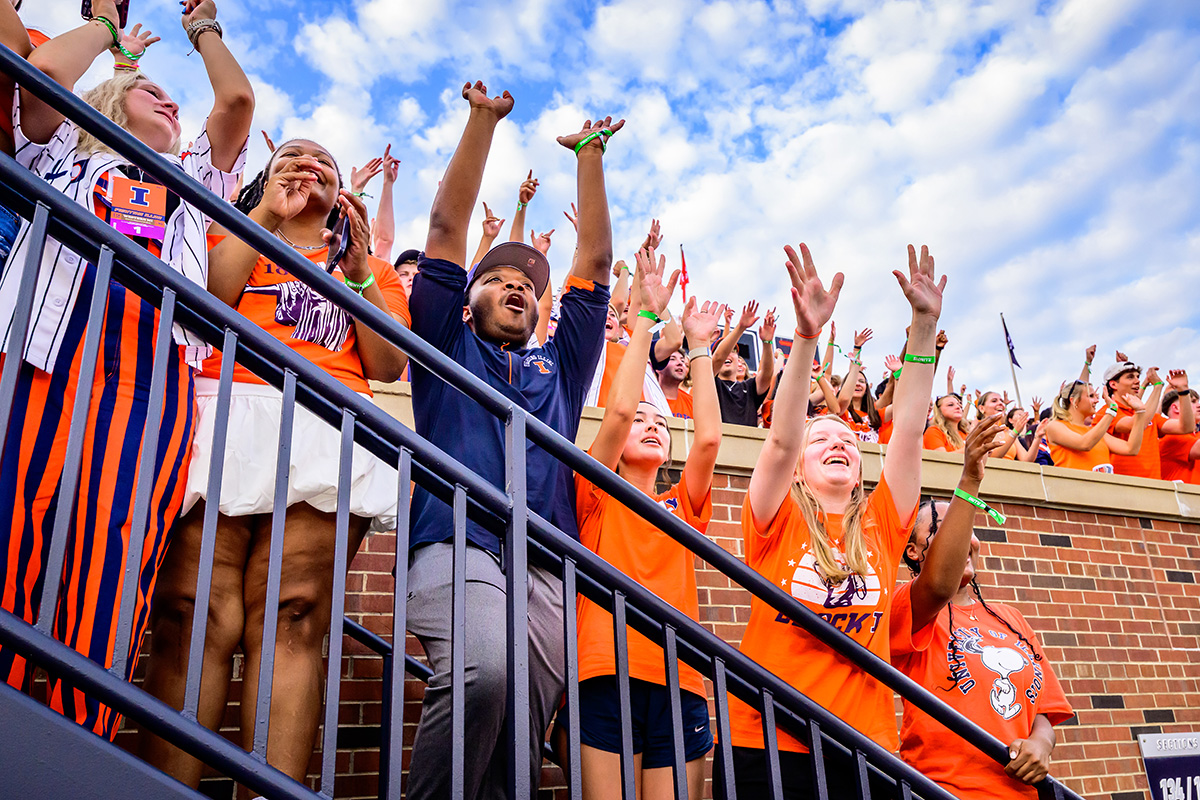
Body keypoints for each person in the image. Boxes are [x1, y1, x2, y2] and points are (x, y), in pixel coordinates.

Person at [0, 0, 252, 739]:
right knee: (13, 529)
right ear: (109, 102)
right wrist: (108, 24)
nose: (170, 101)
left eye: (173, 99)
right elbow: (43, 71)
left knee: (113, 560)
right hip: (50, 356)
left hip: (152, 383)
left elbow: (235, 101)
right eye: (150, 92)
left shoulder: (190, 180)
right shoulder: (63, 153)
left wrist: (202, 25)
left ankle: (77, 743)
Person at [139, 136, 409, 786]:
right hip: (224, 408)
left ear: (344, 194)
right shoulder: (224, 227)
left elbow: (388, 360)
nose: (311, 162)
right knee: (192, 608)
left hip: (324, 423)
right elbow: (210, 296)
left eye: (326, 162)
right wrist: (263, 213)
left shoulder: (370, 270)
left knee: (293, 611)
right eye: (294, 154)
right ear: (267, 174)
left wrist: (362, 261)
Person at [405, 82, 621, 799]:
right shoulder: (443, 341)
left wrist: (589, 158)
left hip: (546, 565)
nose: (516, 286)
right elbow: (444, 227)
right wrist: (480, 121)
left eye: (528, 283)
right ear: (467, 300)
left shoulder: (559, 365)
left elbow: (594, 263)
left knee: (519, 740)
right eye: (495, 279)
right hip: (455, 541)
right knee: (484, 669)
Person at [717, 243, 945, 798]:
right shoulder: (778, 514)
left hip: (863, 746)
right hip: (769, 742)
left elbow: (909, 430)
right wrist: (806, 337)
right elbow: (780, 439)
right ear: (801, 461)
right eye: (822, 437)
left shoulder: (884, 523)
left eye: (847, 438)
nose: (838, 440)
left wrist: (921, 328)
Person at [571, 249, 721, 800]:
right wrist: (642, 326)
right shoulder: (594, 491)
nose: (651, 424)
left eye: (660, 420)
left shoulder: (683, 505)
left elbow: (707, 438)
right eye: (642, 417)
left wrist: (701, 350)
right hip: (606, 669)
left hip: (679, 677)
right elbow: (615, 412)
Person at [893, 416, 1074, 799]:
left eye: (970, 528)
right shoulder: (908, 606)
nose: (968, 540)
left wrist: (1041, 745)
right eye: (946, 529)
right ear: (913, 550)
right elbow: (939, 583)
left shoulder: (1010, 617)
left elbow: (1043, 709)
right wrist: (970, 481)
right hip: (941, 789)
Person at [1045, 379, 1148, 473]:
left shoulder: (1096, 432)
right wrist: (1111, 411)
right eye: (1091, 396)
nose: (1097, 401)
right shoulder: (1055, 426)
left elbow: (1131, 449)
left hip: (1102, 490)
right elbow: (1084, 444)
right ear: (1074, 401)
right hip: (1073, 490)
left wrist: (1140, 412)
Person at [711, 301, 774, 426]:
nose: (728, 354)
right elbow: (718, 358)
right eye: (726, 350)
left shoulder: (749, 387)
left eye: (733, 351)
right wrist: (741, 327)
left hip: (746, 444)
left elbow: (767, 374)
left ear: (739, 359)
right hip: (718, 443)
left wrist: (767, 343)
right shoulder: (710, 382)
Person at [1160, 378, 1199, 484]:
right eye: (1193, 402)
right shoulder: (1172, 436)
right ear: (1176, 408)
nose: (1199, 405)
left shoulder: (1195, 435)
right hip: (1177, 499)